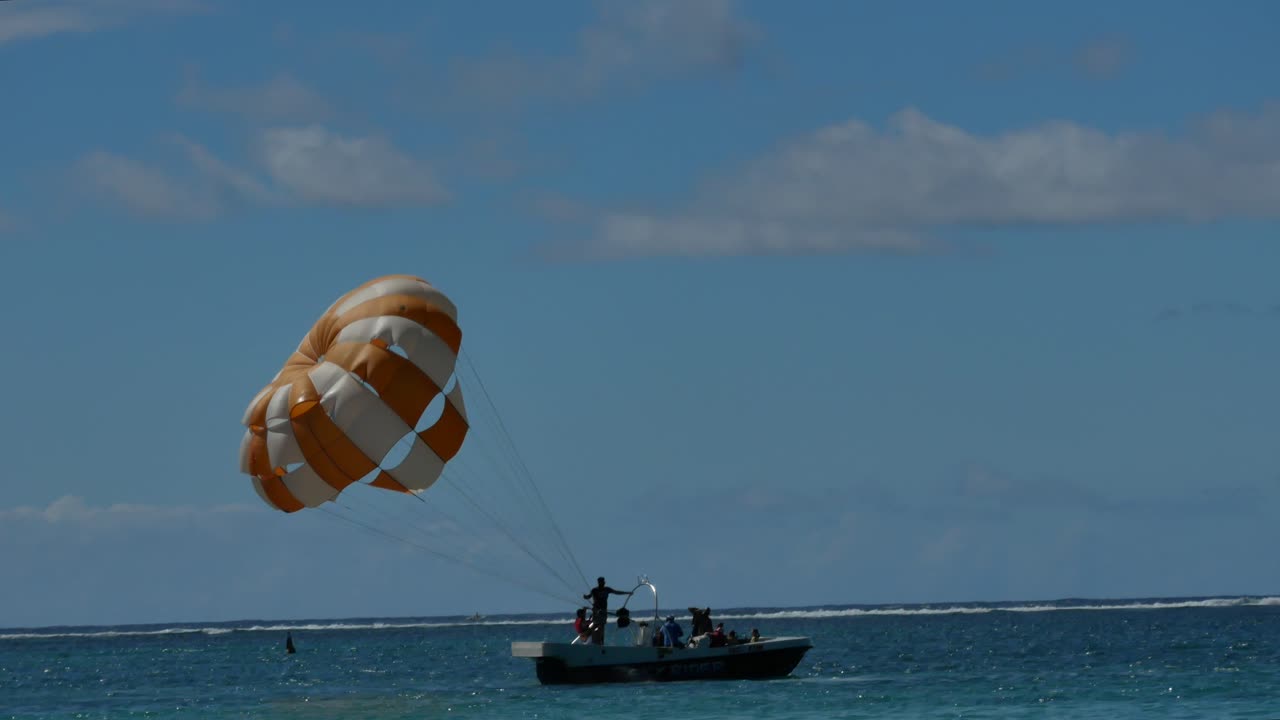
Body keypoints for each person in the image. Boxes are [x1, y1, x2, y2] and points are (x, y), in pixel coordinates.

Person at [582, 577, 632, 644]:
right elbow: (588, 597)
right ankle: (590, 637)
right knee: (596, 624)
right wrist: (585, 596)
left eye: (602, 582)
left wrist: (627, 593)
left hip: (603, 611)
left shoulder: (607, 589)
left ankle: (600, 642)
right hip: (596, 611)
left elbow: (616, 592)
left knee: (601, 626)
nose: (602, 583)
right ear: (599, 582)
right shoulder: (594, 590)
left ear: (604, 582)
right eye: (601, 582)